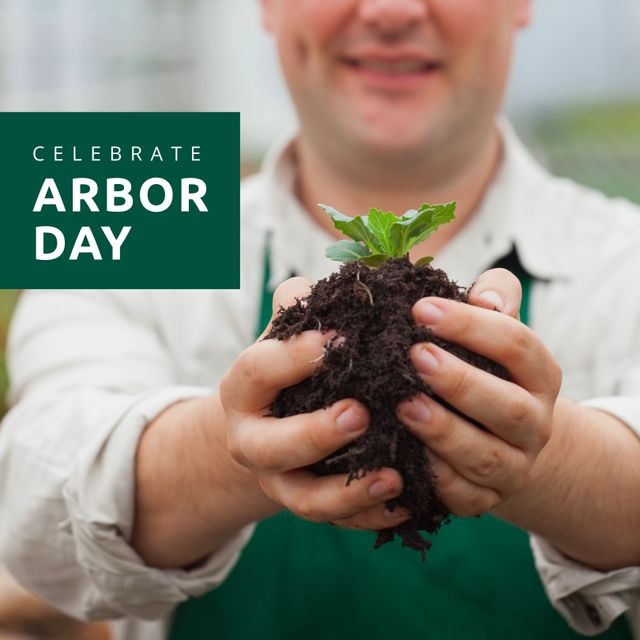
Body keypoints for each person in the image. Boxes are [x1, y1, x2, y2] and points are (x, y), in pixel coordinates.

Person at [1, 0, 640, 638]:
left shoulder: (622, 253)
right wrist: (237, 442)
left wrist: (553, 459)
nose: (391, 12)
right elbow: (35, 514)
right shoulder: (147, 221)